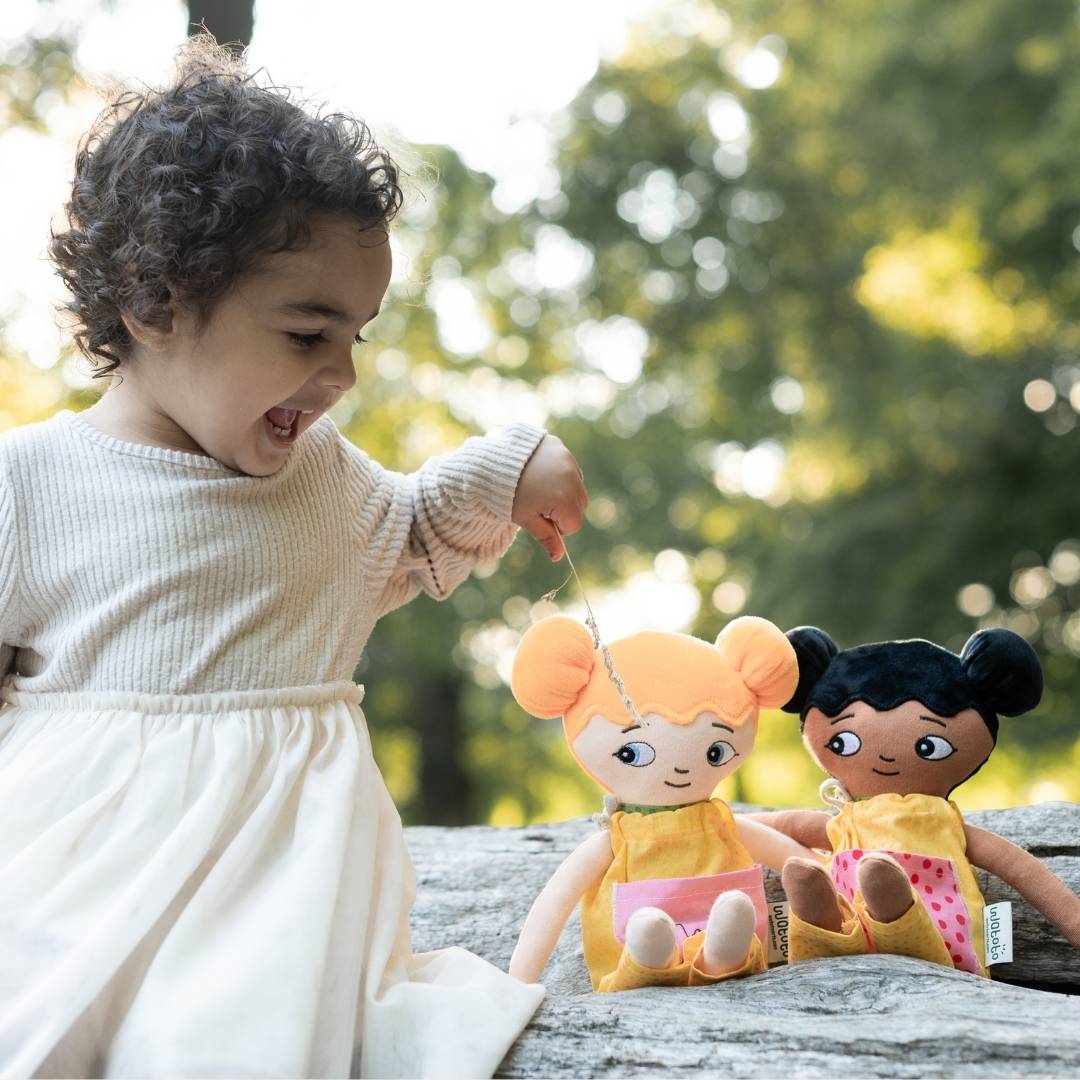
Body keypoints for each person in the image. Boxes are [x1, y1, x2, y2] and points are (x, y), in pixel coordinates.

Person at [0, 35, 586, 1079]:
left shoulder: (320, 481)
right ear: (157, 306)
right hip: (69, 903)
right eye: (308, 333)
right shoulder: (30, 486)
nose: (341, 374)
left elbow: (411, 532)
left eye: (356, 335)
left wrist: (509, 470)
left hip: (283, 914)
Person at [506, 614, 822, 991]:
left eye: (714, 751)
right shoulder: (616, 838)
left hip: (731, 951)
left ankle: (724, 952)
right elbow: (554, 902)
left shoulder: (718, 822)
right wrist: (516, 980)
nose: (678, 770)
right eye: (633, 753)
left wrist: (828, 873)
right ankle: (649, 956)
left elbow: (789, 858)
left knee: (732, 913)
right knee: (648, 932)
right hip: (633, 957)